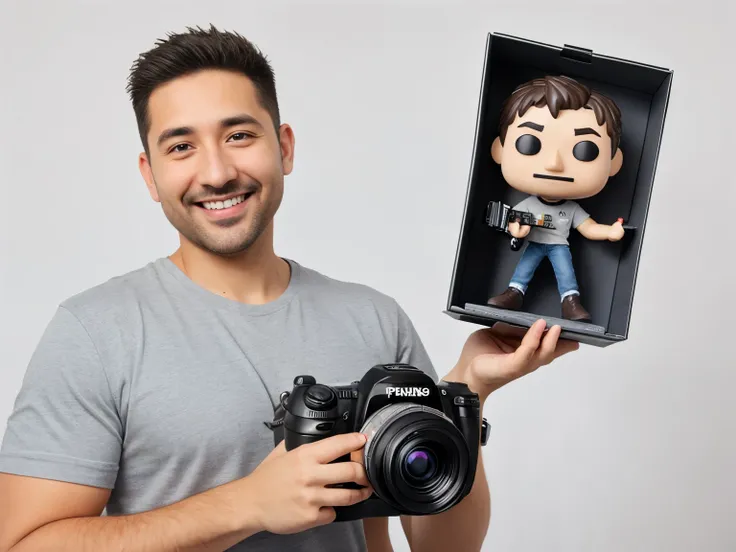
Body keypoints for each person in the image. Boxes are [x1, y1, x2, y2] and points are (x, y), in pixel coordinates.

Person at [0, 25, 578, 552]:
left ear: (285, 147)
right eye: (181, 146)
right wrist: (247, 504)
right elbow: (25, 544)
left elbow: (443, 545)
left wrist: (469, 390)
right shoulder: (95, 332)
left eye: (238, 135)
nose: (217, 172)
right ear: (151, 175)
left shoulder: (374, 319)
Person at [486, 75, 626, 322]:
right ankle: (514, 292)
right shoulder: (528, 204)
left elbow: (589, 228)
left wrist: (610, 231)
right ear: (499, 149)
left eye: (585, 149)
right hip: (536, 242)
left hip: (559, 245)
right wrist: (517, 231)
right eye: (529, 144)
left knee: (565, 271)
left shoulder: (571, 208)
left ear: (614, 163)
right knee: (524, 268)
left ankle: (570, 301)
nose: (554, 164)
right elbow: (513, 222)